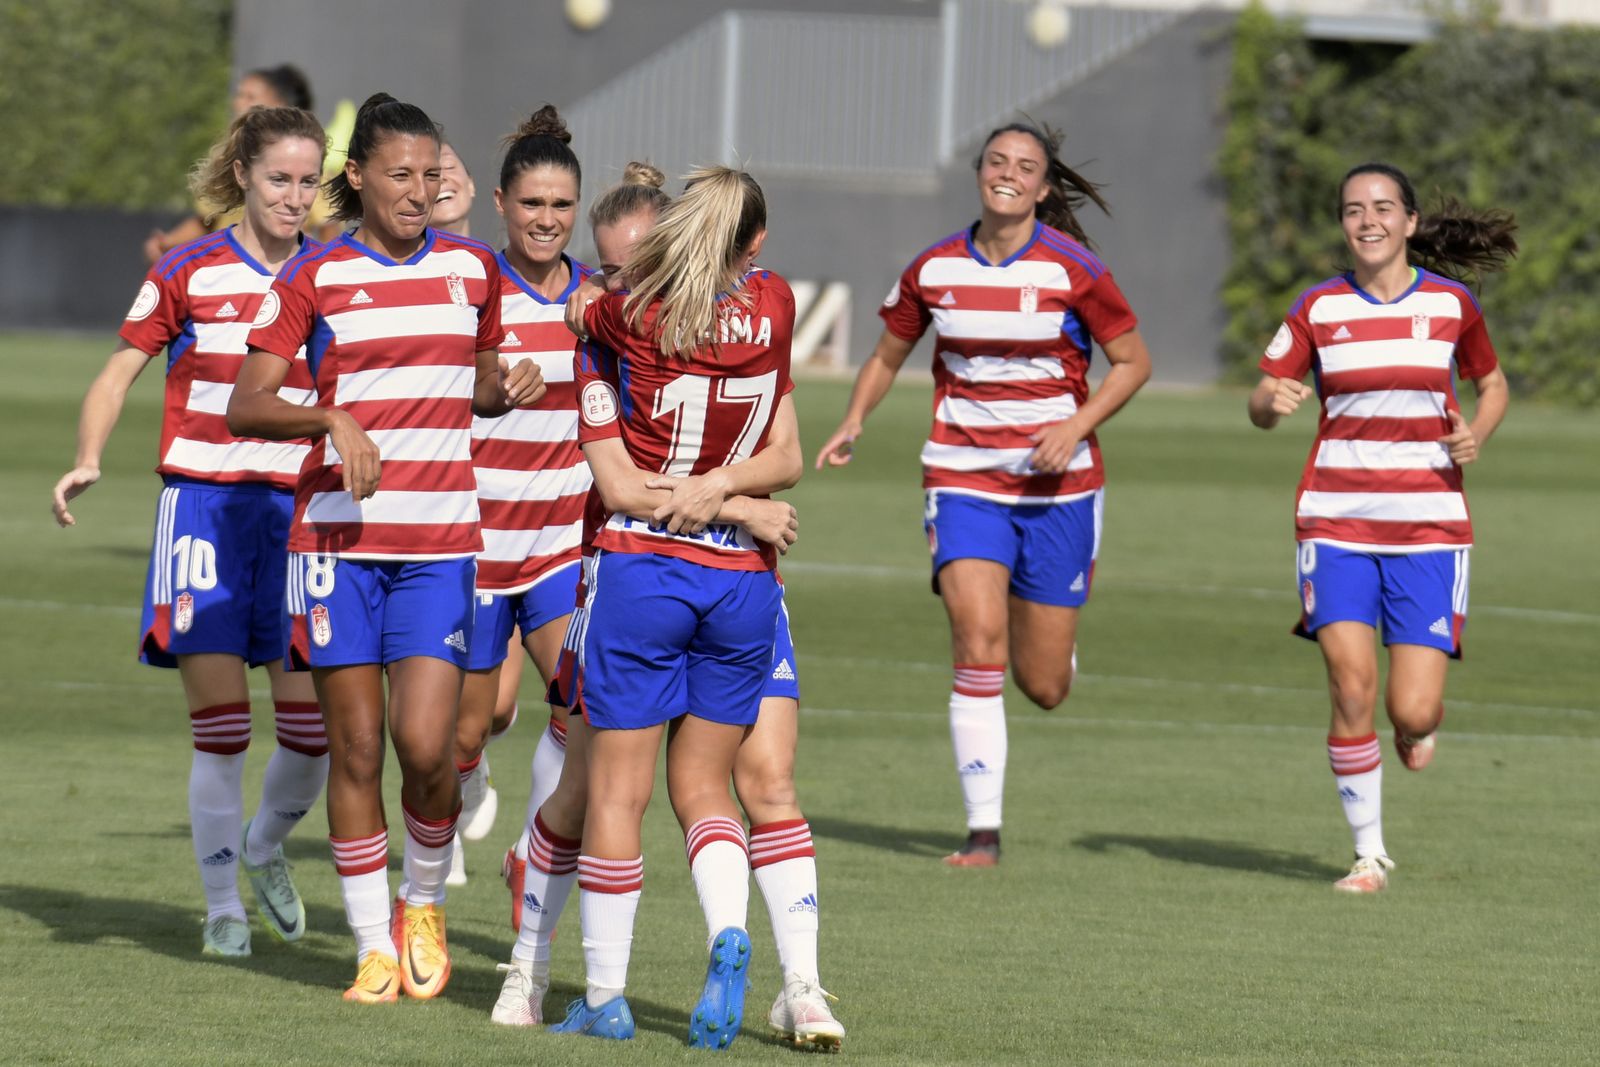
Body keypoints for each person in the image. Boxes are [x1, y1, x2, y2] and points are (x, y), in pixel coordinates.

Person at [490, 164, 843, 1051]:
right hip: (744, 578)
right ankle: (728, 944)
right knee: (707, 783)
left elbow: (616, 478)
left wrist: (593, 306)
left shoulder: (619, 322)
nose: (615, 279)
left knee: (613, 789)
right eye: (606, 266)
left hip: (639, 571)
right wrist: (736, 497)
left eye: (630, 264)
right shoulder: (775, 304)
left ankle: (601, 991)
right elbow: (783, 453)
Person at [227, 92, 545, 1002]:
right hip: (333, 544)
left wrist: (503, 388)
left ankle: (424, 900)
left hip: (441, 541)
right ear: (357, 177)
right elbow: (246, 402)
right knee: (358, 746)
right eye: (399, 174)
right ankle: (372, 942)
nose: (418, 189)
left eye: (430, 174)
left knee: (429, 745)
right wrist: (330, 415)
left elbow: (475, 382)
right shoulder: (315, 277)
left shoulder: (475, 271)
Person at [814, 121, 1153, 866]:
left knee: (1044, 685)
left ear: (1042, 186)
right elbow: (886, 352)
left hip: (1061, 489)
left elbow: (1132, 361)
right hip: (962, 478)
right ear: (980, 174)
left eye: (1024, 166)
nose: (1008, 173)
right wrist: (853, 420)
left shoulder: (1075, 269)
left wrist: (1078, 422)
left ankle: (1058, 652)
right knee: (976, 641)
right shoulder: (934, 268)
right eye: (996, 161)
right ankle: (982, 833)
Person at [52, 105, 332, 959]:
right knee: (220, 728)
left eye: (308, 181)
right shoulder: (190, 268)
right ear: (243, 174)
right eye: (279, 178)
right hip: (203, 510)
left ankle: (261, 847)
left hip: (302, 516)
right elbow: (118, 368)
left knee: (313, 735)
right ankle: (223, 910)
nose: (293, 196)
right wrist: (88, 455)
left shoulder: (334, 270)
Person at [1248, 162, 1513, 893]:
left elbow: (1492, 384)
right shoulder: (1318, 308)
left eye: (1383, 208)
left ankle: (1416, 722)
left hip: (1429, 524)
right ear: (1343, 224)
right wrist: (1274, 401)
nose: (1367, 220)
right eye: (1353, 210)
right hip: (1335, 520)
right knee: (1351, 684)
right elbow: (1261, 399)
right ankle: (1370, 854)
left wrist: (1477, 435)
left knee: (1413, 706)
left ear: (1410, 222)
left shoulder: (1454, 304)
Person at [452, 105, 592, 889]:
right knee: (475, 724)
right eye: (532, 204)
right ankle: (466, 775)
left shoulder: (598, 300)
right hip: (474, 546)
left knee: (584, 712)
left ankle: (531, 861)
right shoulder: (471, 287)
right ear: (501, 204)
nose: (547, 220)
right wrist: (488, 389)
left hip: (560, 547)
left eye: (561, 205)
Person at [144, 65, 317, 264]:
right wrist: (168, 243)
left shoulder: (305, 164)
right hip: (229, 274)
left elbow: (327, 226)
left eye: (250, 97)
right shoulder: (230, 159)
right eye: (239, 95)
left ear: (281, 105)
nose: (238, 103)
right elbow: (206, 221)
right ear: (240, 172)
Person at [432, 143, 477, 237]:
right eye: (429, 174)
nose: (441, 178)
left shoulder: (488, 252)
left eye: (449, 166)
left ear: (471, 184)